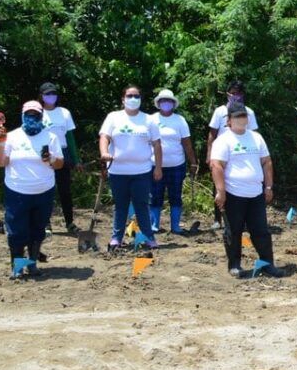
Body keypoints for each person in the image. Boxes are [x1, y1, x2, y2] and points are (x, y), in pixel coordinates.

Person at [0, 101, 64, 279]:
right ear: (23, 115)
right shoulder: (12, 136)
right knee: (16, 230)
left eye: (36, 114)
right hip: (17, 191)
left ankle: (32, 264)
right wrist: (0, 144)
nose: (32, 117)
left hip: (44, 191)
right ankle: (17, 266)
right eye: (28, 114)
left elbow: (60, 164)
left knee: (38, 229)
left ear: (41, 116)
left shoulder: (50, 137)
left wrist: (51, 158)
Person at [211, 103, 281, 277]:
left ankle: (267, 264)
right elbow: (217, 166)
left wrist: (269, 186)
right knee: (233, 231)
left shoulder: (256, 138)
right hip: (233, 194)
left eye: (244, 116)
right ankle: (234, 265)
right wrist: (221, 191)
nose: (241, 120)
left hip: (256, 193)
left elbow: (266, 162)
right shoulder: (223, 140)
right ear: (229, 120)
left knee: (261, 231)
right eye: (237, 117)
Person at [99, 85, 163, 249]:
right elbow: (104, 137)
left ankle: (148, 237)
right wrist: (104, 153)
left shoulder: (149, 120)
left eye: (136, 96)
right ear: (123, 99)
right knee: (120, 205)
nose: (133, 99)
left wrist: (158, 167)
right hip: (118, 171)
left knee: (142, 205)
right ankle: (116, 238)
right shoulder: (113, 117)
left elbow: (157, 145)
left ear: (141, 99)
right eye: (129, 96)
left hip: (142, 171)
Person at [206, 81, 259, 230]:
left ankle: (245, 221)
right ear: (227, 94)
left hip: (242, 154)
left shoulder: (249, 112)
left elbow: (254, 134)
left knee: (240, 187)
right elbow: (212, 134)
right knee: (218, 186)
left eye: (238, 93)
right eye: (233, 93)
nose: (235, 96)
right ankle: (218, 219)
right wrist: (209, 154)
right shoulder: (219, 111)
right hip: (221, 154)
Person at [149, 89, 198, 235]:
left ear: (173, 103)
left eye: (168, 101)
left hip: (176, 165)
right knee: (155, 195)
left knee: (175, 196)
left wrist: (193, 162)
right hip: (155, 165)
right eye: (163, 101)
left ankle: (175, 226)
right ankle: (154, 225)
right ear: (158, 103)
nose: (166, 103)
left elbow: (187, 143)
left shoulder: (180, 120)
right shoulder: (151, 120)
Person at [38, 82, 82, 234]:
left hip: (62, 154)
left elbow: (70, 137)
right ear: (42, 96)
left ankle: (69, 222)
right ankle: (45, 223)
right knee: (45, 189)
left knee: (65, 190)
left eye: (53, 94)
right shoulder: (37, 112)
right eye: (47, 94)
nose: (51, 97)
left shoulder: (64, 113)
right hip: (44, 153)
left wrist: (76, 160)